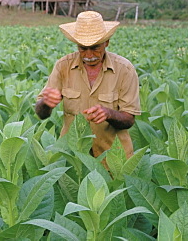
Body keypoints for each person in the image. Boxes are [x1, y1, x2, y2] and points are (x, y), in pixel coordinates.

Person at [35, 11, 141, 158]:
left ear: (106, 42)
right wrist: (46, 103)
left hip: (114, 158)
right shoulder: (63, 67)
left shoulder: (124, 70)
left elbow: (129, 119)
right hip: (73, 156)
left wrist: (109, 114)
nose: (89, 55)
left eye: (96, 47)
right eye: (83, 48)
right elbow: (41, 114)